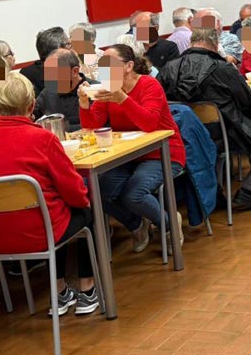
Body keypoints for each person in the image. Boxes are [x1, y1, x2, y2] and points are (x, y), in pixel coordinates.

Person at [0, 72, 99, 317]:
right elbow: (75, 191)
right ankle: (87, 289)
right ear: (31, 105)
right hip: (40, 232)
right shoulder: (42, 138)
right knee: (84, 211)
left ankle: (59, 292)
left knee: (50, 214)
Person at [160, 26, 251, 211]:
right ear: (216, 44)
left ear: (191, 42)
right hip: (225, 130)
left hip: (186, 133)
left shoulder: (169, 67)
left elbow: (163, 101)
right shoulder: (222, 67)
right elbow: (246, 99)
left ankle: (215, 192)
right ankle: (248, 192)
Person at [79, 44, 186, 254]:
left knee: (133, 194)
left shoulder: (149, 85)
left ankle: (169, 223)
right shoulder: (108, 87)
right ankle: (136, 224)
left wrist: (124, 100)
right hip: (128, 154)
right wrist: (84, 105)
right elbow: (93, 124)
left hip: (162, 151)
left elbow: (150, 123)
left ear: (129, 66)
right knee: (97, 192)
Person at [32, 48, 85, 132]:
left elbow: (100, 126)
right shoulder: (48, 93)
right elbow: (31, 115)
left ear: (75, 71)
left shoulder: (92, 91)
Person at [21, 27, 71, 93]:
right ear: (59, 49)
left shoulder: (25, 72)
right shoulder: (66, 72)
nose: (71, 47)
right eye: (68, 44)